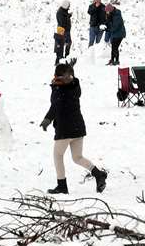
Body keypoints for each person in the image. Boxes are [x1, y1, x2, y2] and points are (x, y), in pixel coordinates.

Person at [41, 62, 108, 195]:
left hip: (65, 128)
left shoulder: (60, 89)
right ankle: (98, 174)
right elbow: (62, 97)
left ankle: (62, 186)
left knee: (58, 155)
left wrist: (47, 120)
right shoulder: (75, 86)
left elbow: (56, 106)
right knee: (77, 157)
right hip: (78, 127)